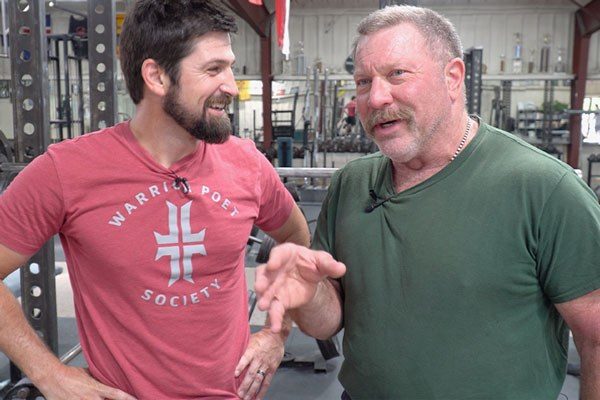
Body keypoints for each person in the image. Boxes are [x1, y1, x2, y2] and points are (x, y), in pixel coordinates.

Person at [255, 5, 600, 400]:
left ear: (453, 78)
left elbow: (596, 336)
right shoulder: (352, 183)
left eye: (396, 74)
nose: (376, 97)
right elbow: (329, 321)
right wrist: (309, 294)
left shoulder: (543, 188)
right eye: (363, 81)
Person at [0, 1, 309, 399]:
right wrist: (49, 373)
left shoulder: (246, 162)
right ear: (157, 76)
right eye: (214, 69)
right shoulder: (65, 171)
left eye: (230, 67)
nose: (232, 85)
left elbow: (298, 244)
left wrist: (275, 332)